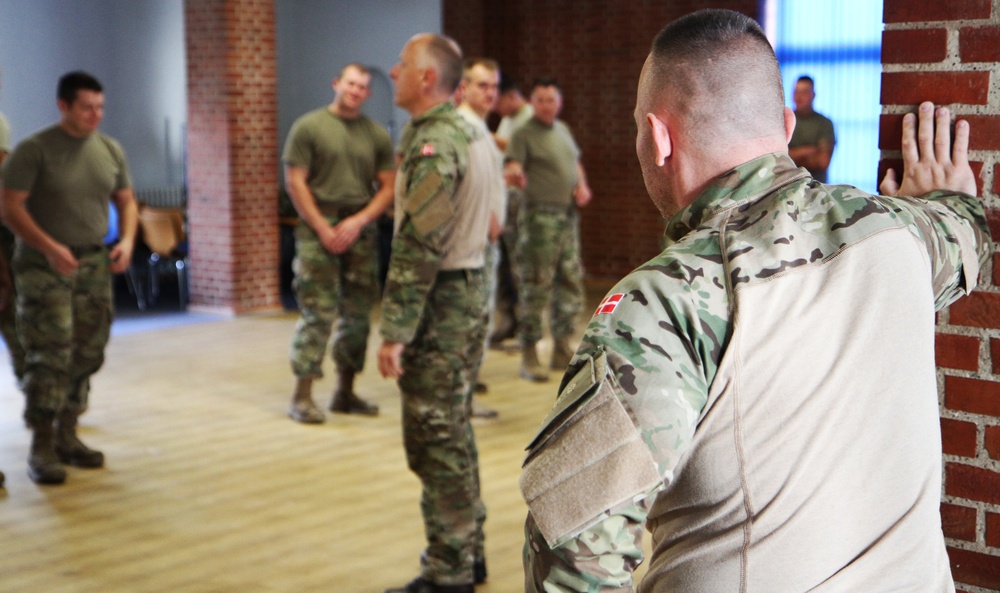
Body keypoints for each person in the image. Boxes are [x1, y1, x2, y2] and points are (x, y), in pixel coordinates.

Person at [521, 9, 990, 592]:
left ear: (658, 137)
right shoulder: (901, 233)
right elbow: (968, 236)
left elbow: (574, 555)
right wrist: (950, 198)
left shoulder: (666, 301)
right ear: (787, 125)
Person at [377, 33, 494, 593]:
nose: (393, 72)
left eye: (402, 66)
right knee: (453, 428)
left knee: (434, 439)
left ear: (427, 79)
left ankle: (449, 571)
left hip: (441, 300)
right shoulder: (467, 132)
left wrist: (396, 330)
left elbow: (421, 243)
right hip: (466, 290)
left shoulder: (435, 145)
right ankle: (467, 552)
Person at [1, 71, 139, 485]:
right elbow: (9, 208)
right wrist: (47, 245)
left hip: (92, 262)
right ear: (63, 106)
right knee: (50, 351)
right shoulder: (34, 150)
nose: (95, 115)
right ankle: (41, 444)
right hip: (44, 264)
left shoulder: (110, 150)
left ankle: (68, 432)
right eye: (86, 107)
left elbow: (127, 201)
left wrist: (128, 241)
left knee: (88, 348)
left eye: (100, 107)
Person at [282, 62, 396, 423]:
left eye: (363, 87)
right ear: (336, 83)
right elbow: (295, 182)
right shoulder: (309, 127)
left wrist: (360, 220)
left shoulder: (376, 134)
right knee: (319, 312)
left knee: (359, 313)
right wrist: (322, 227)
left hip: (359, 226)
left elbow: (389, 186)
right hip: (319, 227)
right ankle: (302, 395)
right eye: (350, 83)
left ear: (368, 93)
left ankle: (345, 392)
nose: (356, 91)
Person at [504, 78, 592, 382]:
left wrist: (581, 185)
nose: (546, 105)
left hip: (566, 217)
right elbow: (513, 164)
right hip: (538, 218)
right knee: (536, 285)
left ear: (559, 103)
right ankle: (529, 352)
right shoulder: (524, 133)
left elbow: (575, 163)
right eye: (540, 100)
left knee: (569, 281)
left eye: (551, 100)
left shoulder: (563, 130)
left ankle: (561, 346)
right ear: (532, 102)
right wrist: (514, 173)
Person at [456, 57, 506, 419]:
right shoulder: (461, 128)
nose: (490, 93)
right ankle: (459, 397)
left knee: (479, 321)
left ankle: (466, 389)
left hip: (485, 245)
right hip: (469, 246)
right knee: (467, 323)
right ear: (463, 87)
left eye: (494, 86)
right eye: (482, 85)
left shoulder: (482, 130)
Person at [488, 74, 533, 345]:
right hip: (504, 199)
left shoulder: (530, 119)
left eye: (498, 101)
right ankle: (508, 320)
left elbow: (518, 150)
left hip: (522, 203)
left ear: (511, 96)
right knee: (502, 263)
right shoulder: (507, 119)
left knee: (520, 265)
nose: (495, 108)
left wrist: (485, 135)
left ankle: (528, 328)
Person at [788, 75, 836, 182]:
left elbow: (823, 162)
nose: (799, 97)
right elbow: (779, 160)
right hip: (787, 187)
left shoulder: (824, 123)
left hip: (817, 188)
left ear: (813, 95)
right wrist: (809, 151)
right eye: (796, 92)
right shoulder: (784, 120)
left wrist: (793, 155)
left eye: (804, 92)